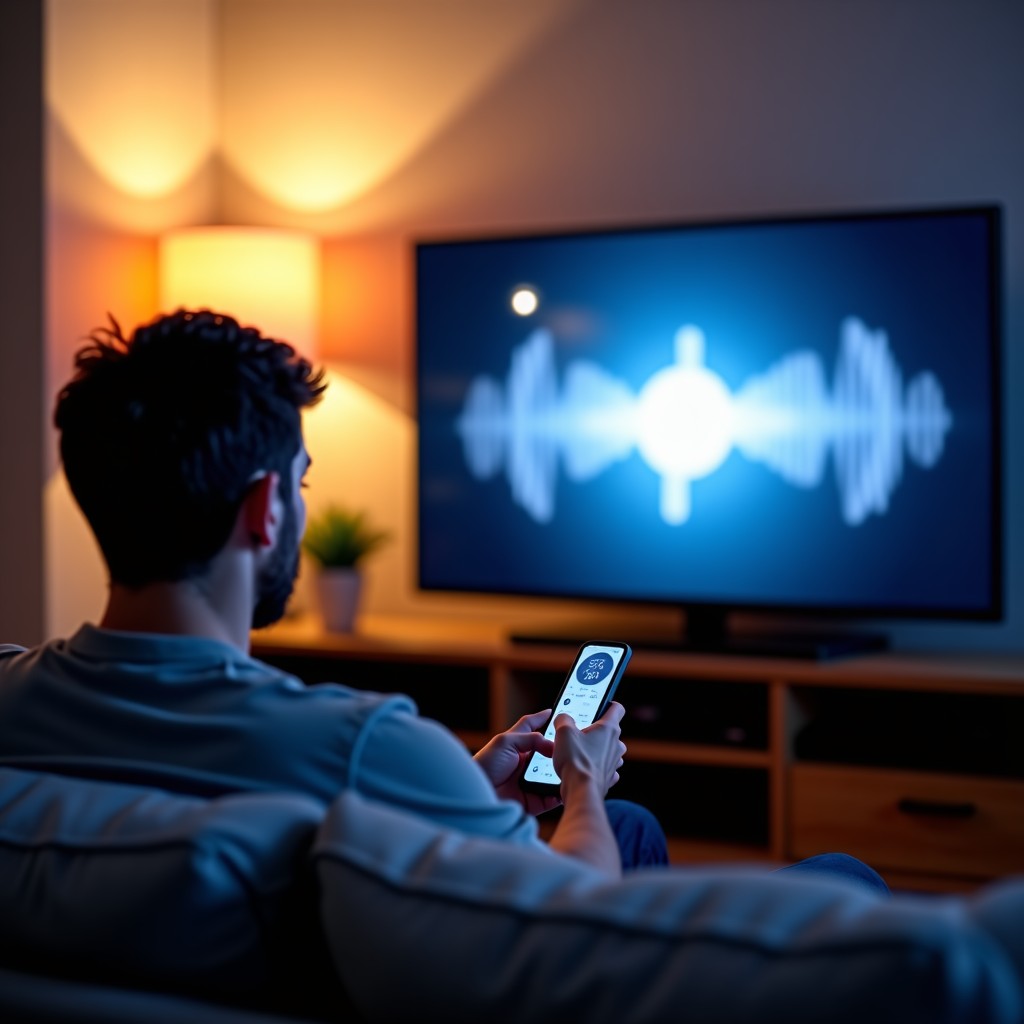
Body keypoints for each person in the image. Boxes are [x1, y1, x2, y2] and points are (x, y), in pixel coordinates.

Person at [0, 308, 886, 892]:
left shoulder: (13, 696)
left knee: (632, 824)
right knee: (844, 875)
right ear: (268, 509)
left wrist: (462, 785)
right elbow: (566, 919)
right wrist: (578, 787)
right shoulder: (366, 744)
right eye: (305, 482)